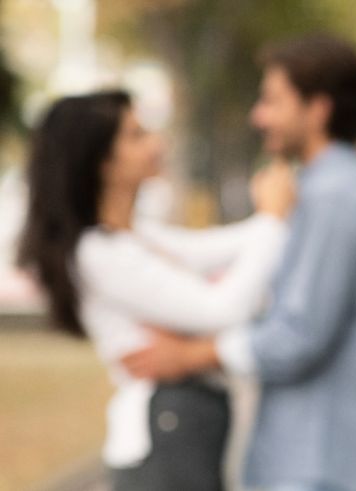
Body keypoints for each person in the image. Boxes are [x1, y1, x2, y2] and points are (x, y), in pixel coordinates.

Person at [122, 34, 356, 491]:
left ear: (318, 109)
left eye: (272, 101)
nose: (258, 116)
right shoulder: (318, 191)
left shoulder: (335, 198)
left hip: (318, 466)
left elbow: (299, 334)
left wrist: (191, 355)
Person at [17, 90, 296, 490]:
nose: (156, 144)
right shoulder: (99, 252)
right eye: (136, 135)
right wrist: (272, 219)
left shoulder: (133, 237)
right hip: (166, 427)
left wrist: (273, 214)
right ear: (102, 162)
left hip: (180, 424)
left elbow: (221, 248)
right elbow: (222, 308)